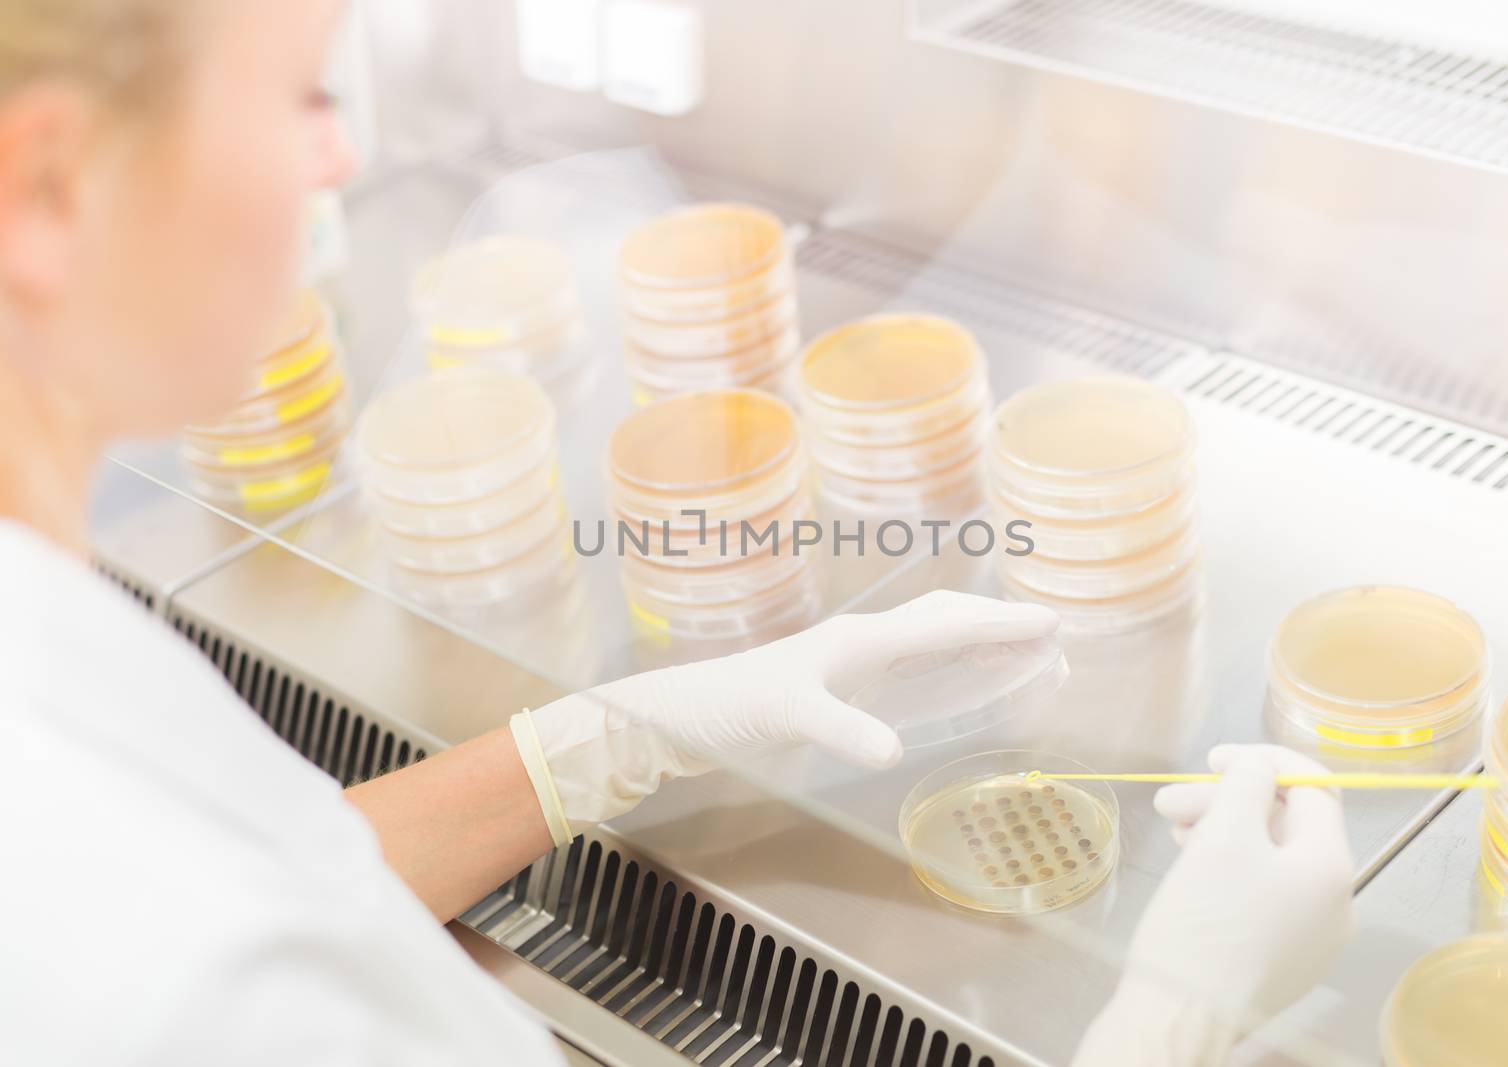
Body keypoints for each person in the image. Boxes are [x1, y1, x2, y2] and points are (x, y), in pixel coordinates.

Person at [0, 2, 1354, 1064]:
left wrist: (616, 735)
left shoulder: (44, 644)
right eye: (300, 92)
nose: (339, 157)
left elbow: (283, 877)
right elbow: (226, 955)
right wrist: (1174, 1021)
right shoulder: (191, 1006)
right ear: (45, 189)